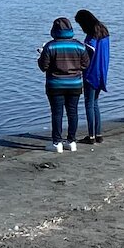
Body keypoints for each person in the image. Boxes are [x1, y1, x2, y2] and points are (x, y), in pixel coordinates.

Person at [38, 17, 91, 151]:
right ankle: (71, 141)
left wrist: (41, 55)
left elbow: (43, 66)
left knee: (57, 113)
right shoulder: (79, 45)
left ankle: (57, 143)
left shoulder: (50, 46)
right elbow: (86, 65)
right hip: (75, 84)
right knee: (72, 112)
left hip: (55, 84)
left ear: (54, 30)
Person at [74, 9, 111, 144]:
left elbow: (89, 53)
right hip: (102, 71)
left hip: (91, 73)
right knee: (95, 103)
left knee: (89, 104)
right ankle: (98, 134)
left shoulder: (92, 35)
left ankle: (91, 136)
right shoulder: (104, 31)